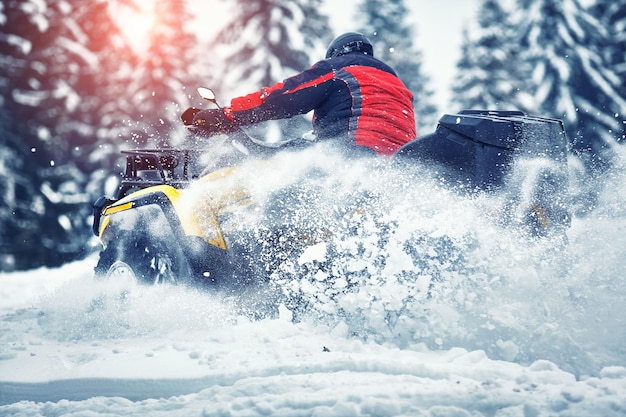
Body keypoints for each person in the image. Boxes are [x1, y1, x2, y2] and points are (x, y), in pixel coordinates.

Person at [182, 32, 416, 157]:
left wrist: (228, 115)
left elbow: (284, 97)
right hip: (398, 164)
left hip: (352, 153)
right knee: (294, 152)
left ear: (336, 54)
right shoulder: (397, 85)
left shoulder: (340, 69)